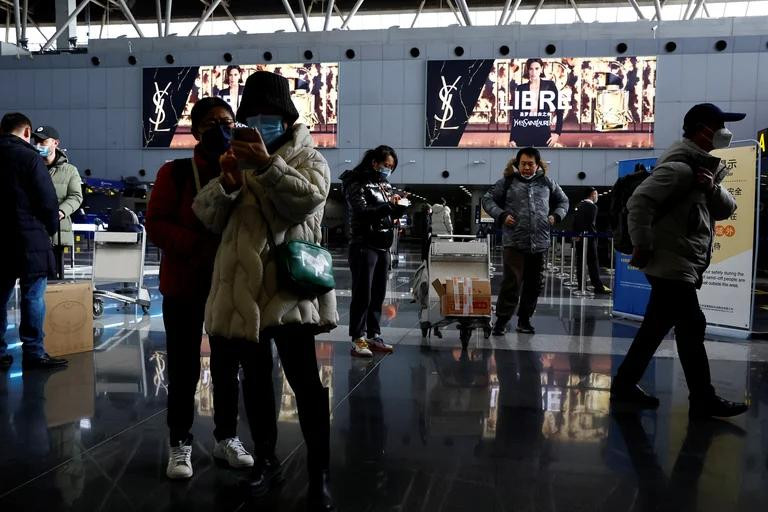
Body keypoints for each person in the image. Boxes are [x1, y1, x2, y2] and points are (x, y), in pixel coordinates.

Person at [192, 71, 338, 510]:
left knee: (306, 383)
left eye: (269, 115)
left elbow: (306, 201)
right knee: (255, 382)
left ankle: (320, 472)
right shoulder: (233, 157)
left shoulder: (310, 157)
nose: (260, 122)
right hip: (243, 292)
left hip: (288, 290)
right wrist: (229, 186)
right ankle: (266, 461)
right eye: (251, 114)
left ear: (286, 117)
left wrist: (266, 166)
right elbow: (208, 217)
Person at [610, 103, 749, 419]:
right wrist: (642, 245)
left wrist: (711, 187)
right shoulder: (679, 168)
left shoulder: (700, 169)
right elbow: (639, 203)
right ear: (703, 130)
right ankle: (703, 398)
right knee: (691, 325)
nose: (725, 132)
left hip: (679, 259)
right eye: (720, 126)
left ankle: (624, 385)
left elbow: (726, 208)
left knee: (655, 326)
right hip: (669, 261)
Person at [146, 97, 255, 480]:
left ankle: (227, 437)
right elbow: (156, 223)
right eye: (210, 123)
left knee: (227, 366)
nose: (221, 129)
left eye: (227, 121)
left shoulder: (244, 170)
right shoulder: (174, 172)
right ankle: (180, 443)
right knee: (183, 366)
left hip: (229, 286)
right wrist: (196, 247)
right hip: (184, 284)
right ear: (194, 131)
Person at [0, 113, 67, 371]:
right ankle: (34, 352)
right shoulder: (29, 158)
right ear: (27, 132)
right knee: (33, 296)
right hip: (30, 238)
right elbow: (47, 199)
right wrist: (50, 228)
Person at [482, 147, 568, 335]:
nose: (527, 167)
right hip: (514, 242)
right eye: (523, 164)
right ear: (517, 164)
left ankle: (524, 321)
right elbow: (487, 200)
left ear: (537, 165)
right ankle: (502, 321)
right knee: (511, 282)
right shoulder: (507, 182)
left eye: (530, 164)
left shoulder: (547, 183)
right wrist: (502, 215)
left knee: (534, 283)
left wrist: (556, 216)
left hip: (540, 242)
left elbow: (564, 202)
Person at [340, 146, 407, 358]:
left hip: (383, 245)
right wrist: (388, 208)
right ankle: (357, 338)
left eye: (391, 167)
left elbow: (385, 210)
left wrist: (396, 207)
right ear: (374, 162)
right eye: (386, 165)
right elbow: (361, 211)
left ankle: (373, 334)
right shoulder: (354, 181)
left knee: (378, 294)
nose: (388, 170)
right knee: (363, 293)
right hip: (364, 243)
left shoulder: (384, 184)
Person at [31, 126, 83, 259]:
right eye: (35, 141)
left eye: (43, 142)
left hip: (58, 233)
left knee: (55, 276)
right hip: (32, 231)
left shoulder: (70, 171)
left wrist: (61, 212)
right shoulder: (30, 167)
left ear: (55, 143)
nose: (38, 145)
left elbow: (76, 196)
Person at [508, 58, 564, 148]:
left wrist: (557, 133)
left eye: (537, 68)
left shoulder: (549, 85)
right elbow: (516, 115)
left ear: (541, 69)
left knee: (543, 160)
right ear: (527, 70)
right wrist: (512, 138)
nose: (534, 72)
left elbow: (560, 110)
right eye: (531, 69)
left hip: (543, 130)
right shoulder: (521, 88)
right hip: (524, 130)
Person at [573, 188, 611, 295]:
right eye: (596, 194)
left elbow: (576, 222)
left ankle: (582, 285)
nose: (597, 196)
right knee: (593, 263)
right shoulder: (592, 207)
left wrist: (577, 234)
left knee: (580, 262)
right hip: (589, 239)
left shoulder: (579, 205)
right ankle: (598, 286)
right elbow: (591, 224)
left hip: (580, 238)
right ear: (593, 194)